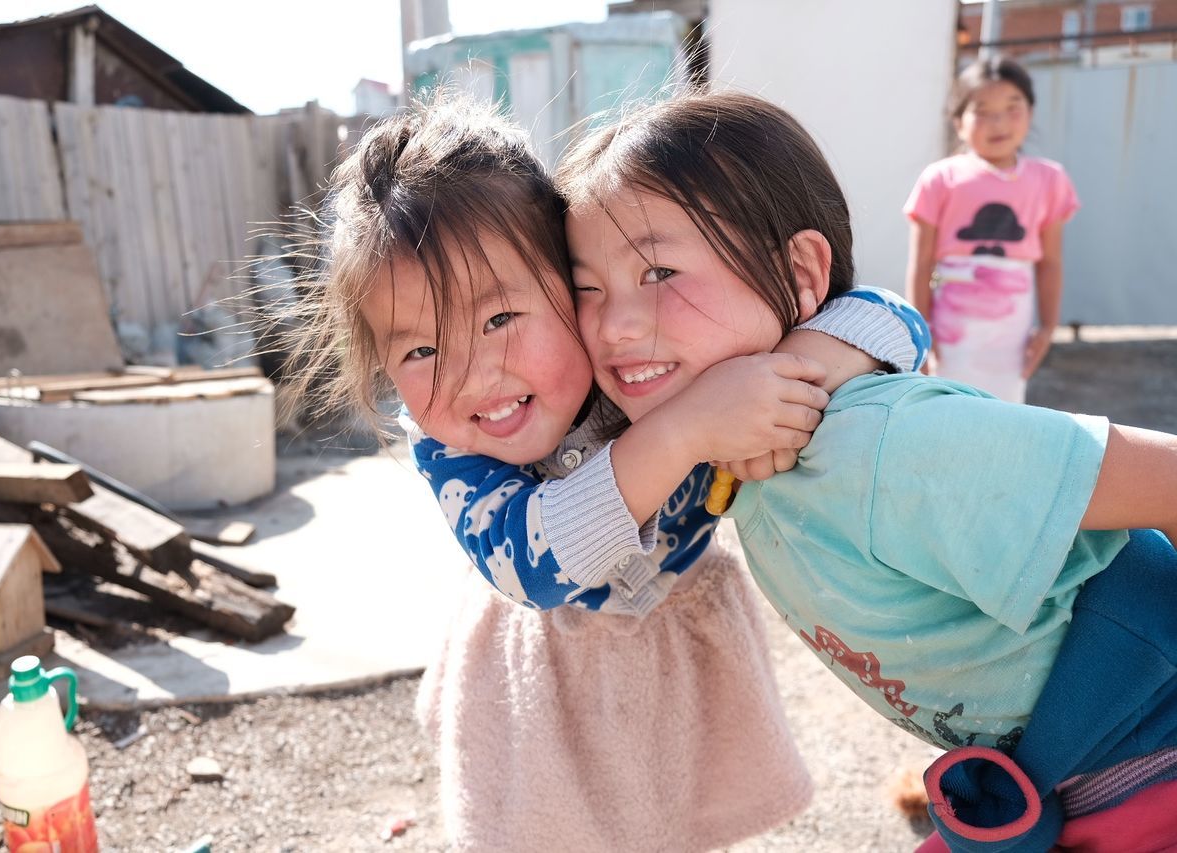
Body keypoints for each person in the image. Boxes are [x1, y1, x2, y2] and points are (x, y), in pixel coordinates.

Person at [283, 94, 930, 852]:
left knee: (677, 824)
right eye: (421, 350)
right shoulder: (446, 442)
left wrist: (786, 376)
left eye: (499, 319)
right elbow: (535, 561)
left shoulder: (635, 357)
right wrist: (691, 427)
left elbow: (892, 319)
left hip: (679, 641)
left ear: (569, 285)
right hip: (546, 674)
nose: (471, 375)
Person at [559, 88, 1177, 852]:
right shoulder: (722, 455)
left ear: (803, 272)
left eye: (658, 271)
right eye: (585, 288)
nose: (613, 324)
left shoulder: (881, 444)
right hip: (1064, 776)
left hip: (1147, 766)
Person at [905, 56, 1078, 403]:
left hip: (1012, 324)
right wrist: (920, 329)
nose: (998, 121)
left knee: (1004, 410)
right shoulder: (940, 178)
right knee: (948, 405)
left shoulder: (1049, 179)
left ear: (1030, 111)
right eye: (981, 110)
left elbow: (1050, 262)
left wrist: (1046, 327)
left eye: (1012, 107)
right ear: (958, 121)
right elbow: (921, 262)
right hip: (952, 323)